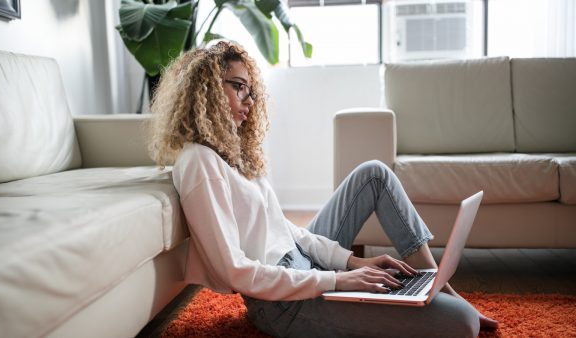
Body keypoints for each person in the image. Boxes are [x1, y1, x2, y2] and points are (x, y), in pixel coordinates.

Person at [148, 41, 498, 337]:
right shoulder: (198, 163)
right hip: (282, 303)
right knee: (462, 323)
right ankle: (439, 297)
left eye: (250, 90)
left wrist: (351, 261)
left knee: (374, 174)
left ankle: (436, 284)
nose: (249, 100)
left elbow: (285, 230)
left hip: (304, 267)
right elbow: (234, 270)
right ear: (206, 88)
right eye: (238, 86)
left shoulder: (232, 155)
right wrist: (337, 280)